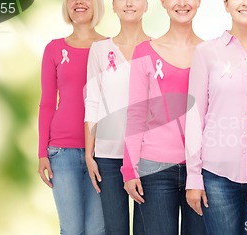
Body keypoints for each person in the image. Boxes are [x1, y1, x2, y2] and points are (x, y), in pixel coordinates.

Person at [184, 0, 247, 234]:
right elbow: (194, 116)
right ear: (226, 4)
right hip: (217, 177)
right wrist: (193, 177)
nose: (245, 3)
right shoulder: (206, 52)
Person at [121, 0, 207, 234]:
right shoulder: (145, 52)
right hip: (155, 169)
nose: (182, 3)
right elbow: (136, 112)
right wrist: (129, 169)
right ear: (163, 3)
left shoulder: (211, 53)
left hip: (201, 170)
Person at [37, 0, 106, 234]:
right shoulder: (54, 49)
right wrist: (41, 153)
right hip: (62, 151)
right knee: (72, 229)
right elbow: (47, 103)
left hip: (102, 151)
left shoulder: (110, 47)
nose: (78, 2)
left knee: (97, 229)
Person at [84, 0, 151, 234]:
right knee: (115, 229)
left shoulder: (158, 48)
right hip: (108, 157)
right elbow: (92, 101)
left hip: (148, 158)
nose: (129, 3)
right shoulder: (100, 50)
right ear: (113, 6)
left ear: (147, 5)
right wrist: (89, 153)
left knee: (146, 230)